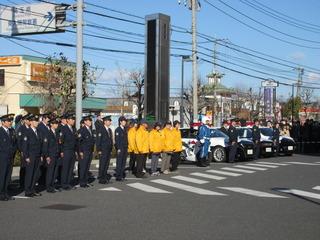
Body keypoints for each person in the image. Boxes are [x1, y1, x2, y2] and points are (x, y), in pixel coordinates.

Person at [21, 114, 42, 197]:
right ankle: (28, 190)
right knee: (30, 174)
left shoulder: (37, 131)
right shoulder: (27, 132)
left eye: (37, 121)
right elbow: (25, 146)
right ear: (31, 122)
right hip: (31, 156)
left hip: (37, 155)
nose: (37, 122)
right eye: (36, 121)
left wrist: (40, 155)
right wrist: (26, 157)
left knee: (35, 174)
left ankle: (33, 189)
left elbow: (39, 145)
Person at [0, 114, 17, 201]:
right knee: (2, 176)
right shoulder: (0, 132)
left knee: (7, 176)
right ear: (3, 122)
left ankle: (5, 193)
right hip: (2, 158)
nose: (10, 122)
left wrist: (12, 151)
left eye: (11, 121)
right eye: (8, 121)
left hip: (10, 157)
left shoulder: (11, 131)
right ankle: (1, 194)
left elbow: (14, 143)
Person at [59, 113, 77, 190]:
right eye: (72, 119)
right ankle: (64, 184)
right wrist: (61, 151)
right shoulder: (64, 128)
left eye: (73, 119)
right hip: (66, 150)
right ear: (67, 120)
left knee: (70, 168)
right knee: (65, 168)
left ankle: (68, 183)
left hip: (72, 151)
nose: (73, 121)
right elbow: (60, 141)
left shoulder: (73, 129)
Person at [43, 118, 60, 193]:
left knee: (55, 171)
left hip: (56, 154)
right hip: (51, 155)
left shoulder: (56, 132)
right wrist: (47, 156)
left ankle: (52, 185)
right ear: (51, 124)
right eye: (55, 123)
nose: (57, 125)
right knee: (50, 171)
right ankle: (49, 187)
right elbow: (45, 146)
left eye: (57, 123)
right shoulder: (48, 133)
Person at [78, 115, 95, 188]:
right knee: (83, 167)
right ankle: (82, 182)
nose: (90, 122)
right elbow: (79, 142)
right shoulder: (82, 130)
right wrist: (80, 151)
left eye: (90, 120)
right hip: (84, 151)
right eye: (88, 121)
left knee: (87, 167)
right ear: (85, 122)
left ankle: (85, 181)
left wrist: (93, 150)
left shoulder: (90, 130)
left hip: (89, 151)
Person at [96, 115, 113, 184]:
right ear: (105, 122)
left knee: (106, 164)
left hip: (108, 150)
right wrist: (99, 150)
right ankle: (101, 178)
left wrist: (111, 149)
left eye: (110, 121)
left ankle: (104, 177)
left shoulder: (109, 130)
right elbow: (98, 141)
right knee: (102, 164)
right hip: (103, 150)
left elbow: (110, 140)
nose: (110, 122)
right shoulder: (101, 129)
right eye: (109, 121)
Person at [16, 113, 31, 188]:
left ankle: (27, 182)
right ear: (25, 120)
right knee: (23, 167)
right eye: (28, 120)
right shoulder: (21, 128)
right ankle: (22, 183)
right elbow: (19, 141)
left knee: (28, 168)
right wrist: (21, 150)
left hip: (30, 152)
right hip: (23, 151)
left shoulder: (30, 128)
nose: (30, 121)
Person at [114, 116, 128, 181]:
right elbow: (117, 140)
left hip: (125, 148)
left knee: (123, 162)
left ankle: (122, 175)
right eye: (123, 121)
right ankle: (118, 176)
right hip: (120, 148)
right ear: (120, 122)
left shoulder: (125, 129)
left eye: (125, 121)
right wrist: (118, 148)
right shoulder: (118, 130)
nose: (125, 122)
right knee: (119, 162)